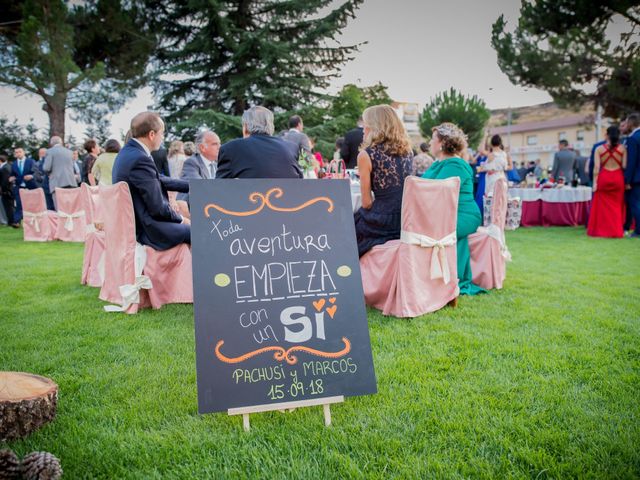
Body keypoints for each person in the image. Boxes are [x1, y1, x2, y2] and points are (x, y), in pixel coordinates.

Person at [112, 112, 190, 250]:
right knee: (202, 232)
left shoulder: (128, 153)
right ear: (152, 134)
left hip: (138, 222)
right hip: (148, 229)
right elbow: (158, 208)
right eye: (162, 133)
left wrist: (195, 186)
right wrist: (182, 219)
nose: (163, 138)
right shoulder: (140, 159)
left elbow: (159, 179)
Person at [422, 123, 484, 295]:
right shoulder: (438, 164)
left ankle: (450, 279)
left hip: (464, 214)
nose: (429, 142)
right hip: (445, 212)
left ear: (441, 143)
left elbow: (436, 191)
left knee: (441, 230)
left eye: (432, 139)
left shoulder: (455, 164)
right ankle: (439, 277)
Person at [354, 105, 413, 257]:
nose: (363, 128)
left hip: (383, 222)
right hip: (406, 218)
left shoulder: (366, 155)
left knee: (349, 225)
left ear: (374, 126)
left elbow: (366, 203)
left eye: (365, 124)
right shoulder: (408, 151)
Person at [216, 106, 303, 179]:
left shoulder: (230, 148)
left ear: (245, 126)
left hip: (249, 198)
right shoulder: (292, 147)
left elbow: (220, 188)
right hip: (288, 198)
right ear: (271, 126)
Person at [587, 126, 627, 238]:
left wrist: (595, 183)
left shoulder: (599, 149)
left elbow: (596, 167)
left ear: (607, 135)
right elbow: (624, 166)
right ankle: (616, 231)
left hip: (604, 177)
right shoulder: (623, 148)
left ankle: (602, 230)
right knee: (617, 206)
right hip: (618, 177)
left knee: (602, 206)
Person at [179, 130, 221, 204]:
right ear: (202, 147)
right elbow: (199, 186)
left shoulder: (217, 165)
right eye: (215, 144)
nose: (219, 147)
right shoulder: (191, 163)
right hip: (193, 209)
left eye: (219, 144)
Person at [43, 136, 76, 208]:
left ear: (51, 143)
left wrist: (49, 174)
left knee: (60, 209)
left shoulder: (50, 151)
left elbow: (46, 168)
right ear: (61, 142)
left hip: (57, 183)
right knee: (70, 208)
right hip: (71, 182)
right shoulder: (69, 152)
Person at [10, 147, 38, 224]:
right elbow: (12, 174)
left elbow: (36, 172)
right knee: (19, 204)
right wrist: (11, 178)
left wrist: (31, 176)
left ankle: (34, 220)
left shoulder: (31, 161)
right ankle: (16, 222)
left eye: (19, 152)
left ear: (24, 152)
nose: (18, 153)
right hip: (19, 186)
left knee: (32, 204)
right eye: (16, 152)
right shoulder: (14, 164)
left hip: (31, 186)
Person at [624, 112, 640, 237]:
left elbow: (631, 161)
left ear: (631, 123)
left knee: (635, 204)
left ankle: (638, 230)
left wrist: (627, 180)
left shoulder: (633, 138)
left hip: (636, 178)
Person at [0, 155, 17, 228]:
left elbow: (5, 181)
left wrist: (2, 189)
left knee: (9, 207)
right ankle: (12, 222)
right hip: (9, 190)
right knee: (10, 207)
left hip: (7, 191)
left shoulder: (5, 168)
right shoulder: (7, 166)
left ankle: (12, 222)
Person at [473, 146, 488, 212]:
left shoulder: (487, 156)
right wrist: (478, 154)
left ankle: (482, 212)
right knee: (477, 194)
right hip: (478, 176)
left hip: (484, 176)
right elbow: (473, 161)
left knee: (482, 193)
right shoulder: (479, 157)